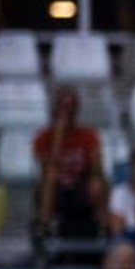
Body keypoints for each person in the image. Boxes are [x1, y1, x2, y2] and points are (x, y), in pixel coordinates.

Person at [32, 87, 106, 239]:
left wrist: (92, 170)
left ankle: (103, 228)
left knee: (96, 183)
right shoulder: (44, 137)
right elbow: (49, 165)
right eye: (64, 107)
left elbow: (97, 168)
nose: (68, 112)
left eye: (71, 107)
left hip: (80, 185)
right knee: (51, 175)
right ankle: (45, 226)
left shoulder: (88, 135)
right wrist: (59, 132)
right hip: (55, 187)